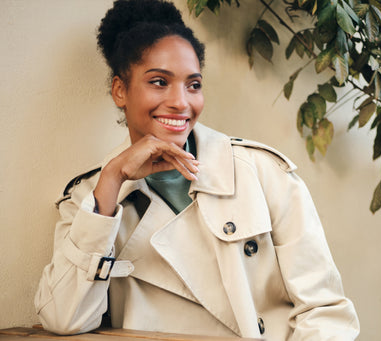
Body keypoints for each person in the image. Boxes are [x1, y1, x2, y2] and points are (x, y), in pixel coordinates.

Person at [34, 0, 360, 339]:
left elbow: (326, 313)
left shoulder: (263, 173)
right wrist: (112, 180)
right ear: (120, 90)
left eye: (194, 84)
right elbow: (63, 320)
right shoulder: (89, 198)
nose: (181, 102)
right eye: (159, 82)